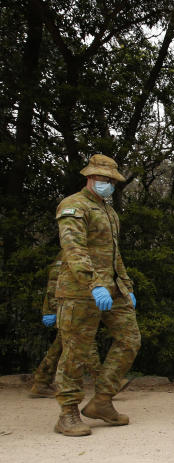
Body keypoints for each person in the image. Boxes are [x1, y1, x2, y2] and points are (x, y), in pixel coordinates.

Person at [53, 154, 141, 436]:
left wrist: (125, 285)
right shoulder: (72, 206)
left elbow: (115, 255)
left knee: (130, 340)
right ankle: (68, 413)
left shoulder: (109, 211)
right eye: (104, 180)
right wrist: (93, 283)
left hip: (113, 290)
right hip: (80, 290)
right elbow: (74, 248)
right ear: (90, 177)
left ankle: (102, 401)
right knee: (75, 350)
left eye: (112, 181)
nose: (108, 185)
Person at [29, 251, 101, 398]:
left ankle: (41, 382)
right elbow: (54, 283)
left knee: (59, 346)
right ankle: (104, 382)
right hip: (67, 307)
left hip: (75, 305)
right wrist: (51, 309)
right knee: (88, 343)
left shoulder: (86, 253)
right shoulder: (69, 253)